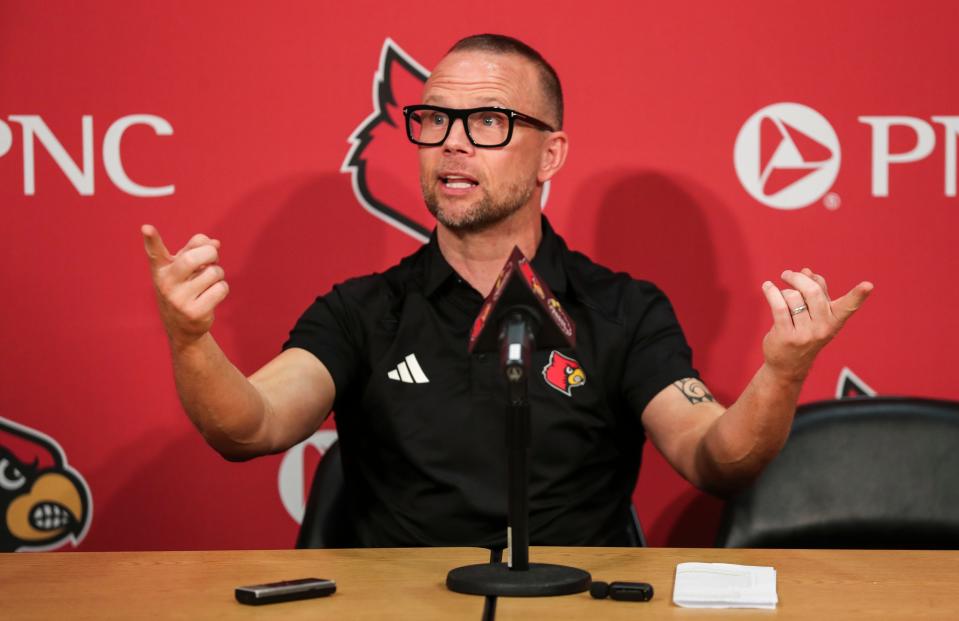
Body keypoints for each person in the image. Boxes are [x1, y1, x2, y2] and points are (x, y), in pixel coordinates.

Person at [141, 34, 872, 547]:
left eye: (488, 121)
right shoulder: (361, 310)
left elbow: (715, 457)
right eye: (433, 121)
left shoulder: (622, 309)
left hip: (574, 609)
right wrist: (191, 340)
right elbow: (251, 427)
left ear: (551, 152)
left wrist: (781, 372)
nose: (452, 143)